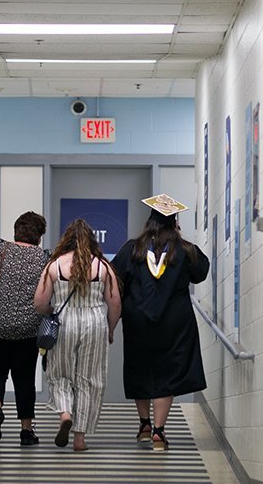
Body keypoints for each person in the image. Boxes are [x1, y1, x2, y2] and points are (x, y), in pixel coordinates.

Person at [111, 194, 210, 451]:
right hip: (174, 322)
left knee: (139, 367)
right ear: (174, 223)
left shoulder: (131, 249)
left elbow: (114, 277)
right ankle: (158, 431)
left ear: (149, 222)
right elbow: (201, 273)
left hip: (137, 321)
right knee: (166, 371)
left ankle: (144, 424)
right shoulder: (185, 250)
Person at [34, 219, 122, 452]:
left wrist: (52, 312)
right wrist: (110, 329)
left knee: (59, 373)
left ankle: (65, 414)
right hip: (95, 323)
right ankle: (80, 438)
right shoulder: (103, 267)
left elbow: (40, 302)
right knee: (89, 379)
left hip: (64, 323)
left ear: (67, 239)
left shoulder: (55, 265)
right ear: (91, 240)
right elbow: (115, 305)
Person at [0, 211, 49, 446]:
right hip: (29, 328)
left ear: (17, 229)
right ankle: (26, 431)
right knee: (25, 378)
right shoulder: (44, 258)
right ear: (38, 236)